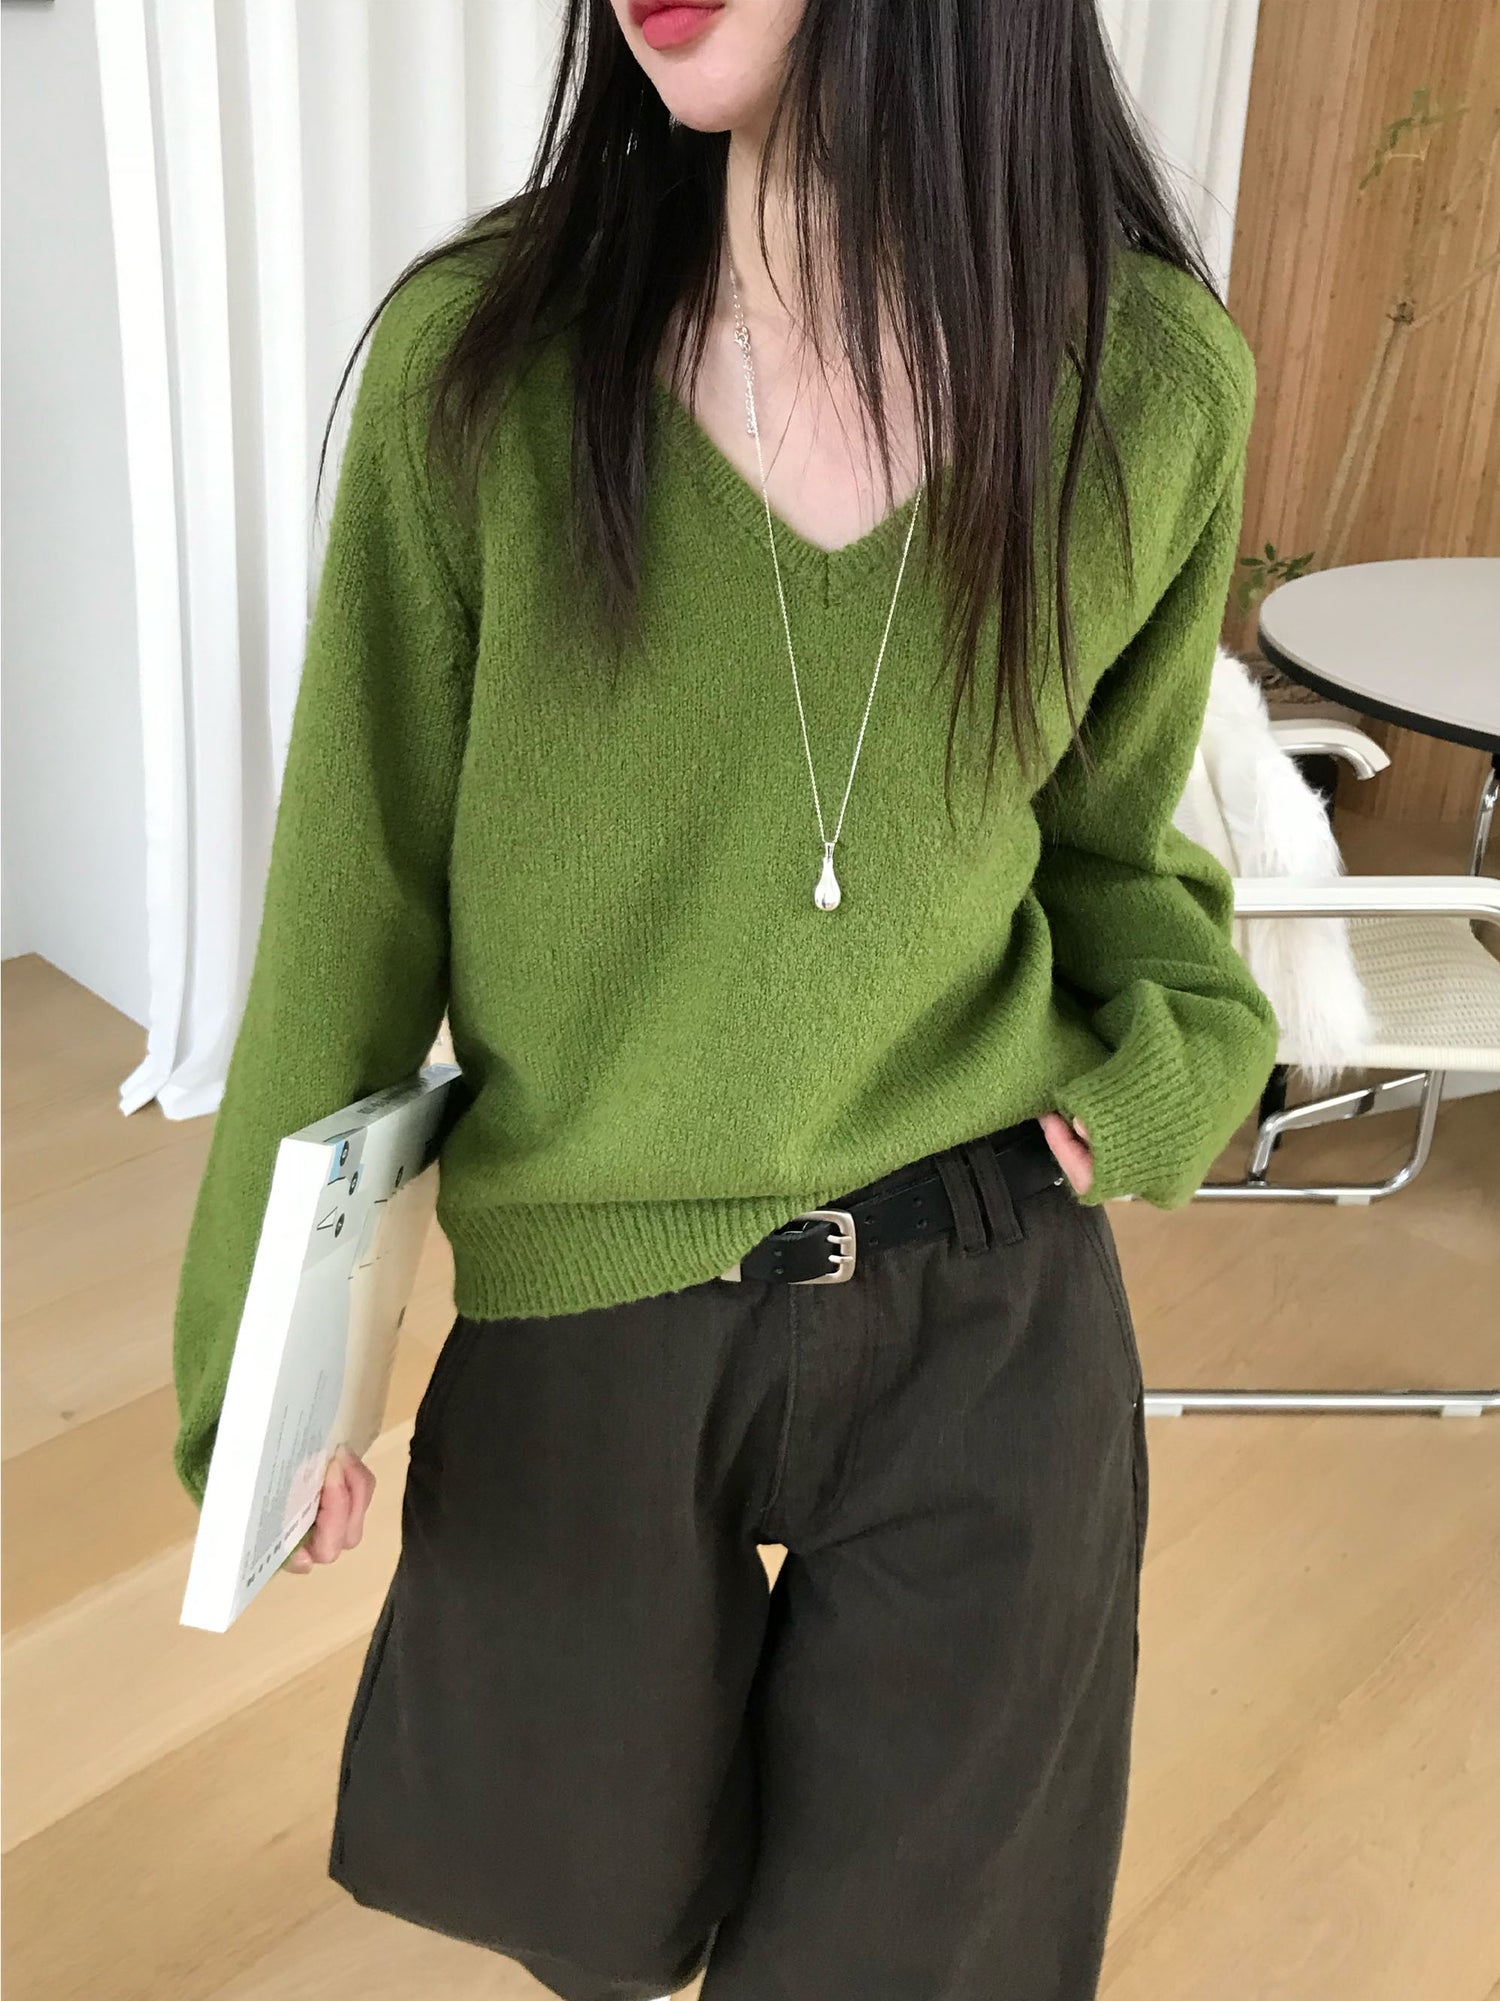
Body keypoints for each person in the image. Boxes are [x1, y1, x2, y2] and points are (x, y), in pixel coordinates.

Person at [171, 0, 1280, 1994]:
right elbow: (350, 911)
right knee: (575, 1892)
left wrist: (1188, 1058)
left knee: (915, 1958)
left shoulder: (1148, 389)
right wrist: (260, 1388)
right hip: (590, 1287)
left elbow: (1115, 851)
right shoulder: (482, 372)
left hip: (982, 1280)